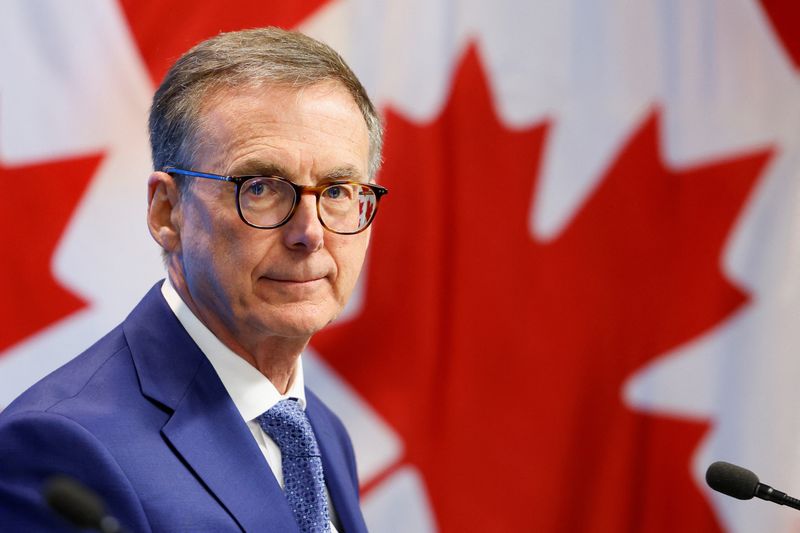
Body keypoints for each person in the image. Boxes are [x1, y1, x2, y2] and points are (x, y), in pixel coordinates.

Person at [0, 27, 387, 532]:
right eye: (261, 187)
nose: (309, 234)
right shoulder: (62, 448)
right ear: (167, 211)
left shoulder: (319, 429)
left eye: (337, 190)